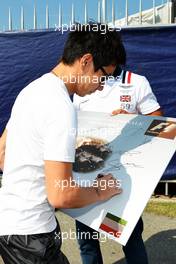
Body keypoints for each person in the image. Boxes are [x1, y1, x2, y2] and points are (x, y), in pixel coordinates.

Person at [0, 24, 125, 264]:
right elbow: (61, 195)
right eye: (103, 76)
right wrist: (100, 190)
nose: (101, 86)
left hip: (11, 225)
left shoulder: (32, 89)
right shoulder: (61, 106)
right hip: (32, 234)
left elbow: (3, 154)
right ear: (86, 61)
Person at [73, 64, 163, 264]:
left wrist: (135, 121)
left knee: (127, 234)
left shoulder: (136, 82)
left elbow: (160, 124)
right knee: (87, 239)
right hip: (87, 173)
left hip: (122, 176)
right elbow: (73, 125)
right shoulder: (81, 85)